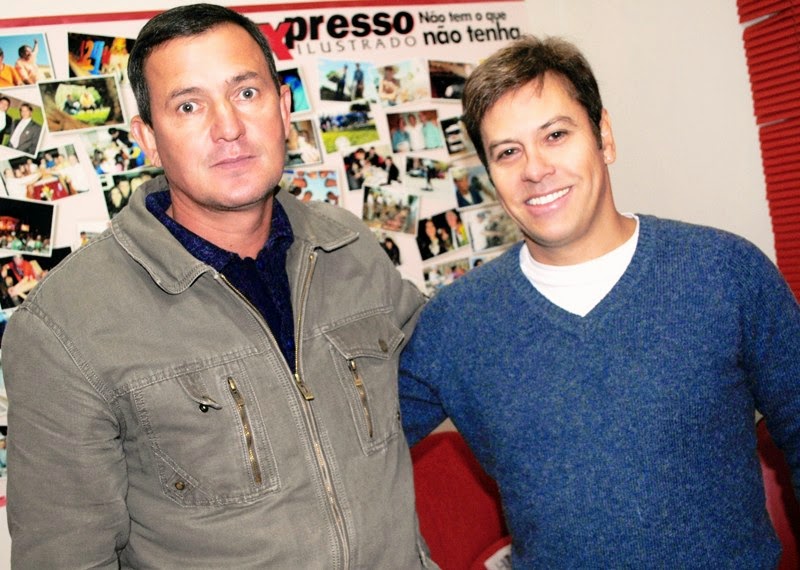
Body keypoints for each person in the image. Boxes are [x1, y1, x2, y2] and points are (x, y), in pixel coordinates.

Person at [3, 5, 431, 569]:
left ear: (284, 109)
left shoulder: (348, 247)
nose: (228, 127)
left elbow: (440, 373)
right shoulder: (65, 326)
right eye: (188, 105)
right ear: (148, 139)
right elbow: (66, 556)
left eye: (247, 93)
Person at [398, 35, 800, 568]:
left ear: (603, 136)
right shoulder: (455, 324)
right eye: (507, 152)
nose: (535, 169)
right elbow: (341, 448)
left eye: (556, 135)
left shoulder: (724, 271)